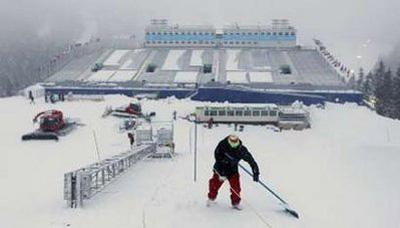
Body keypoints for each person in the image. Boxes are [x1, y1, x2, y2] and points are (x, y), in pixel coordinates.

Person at [207, 134, 259, 210]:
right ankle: (211, 198)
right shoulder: (222, 145)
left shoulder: (241, 150)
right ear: (229, 140)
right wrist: (226, 160)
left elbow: (251, 160)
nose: (234, 143)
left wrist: (256, 172)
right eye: (232, 141)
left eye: (235, 142)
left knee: (236, 187)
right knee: (214, 185)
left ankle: (235, 203)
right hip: (220, 169)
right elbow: (217, 155)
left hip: (232, 170)